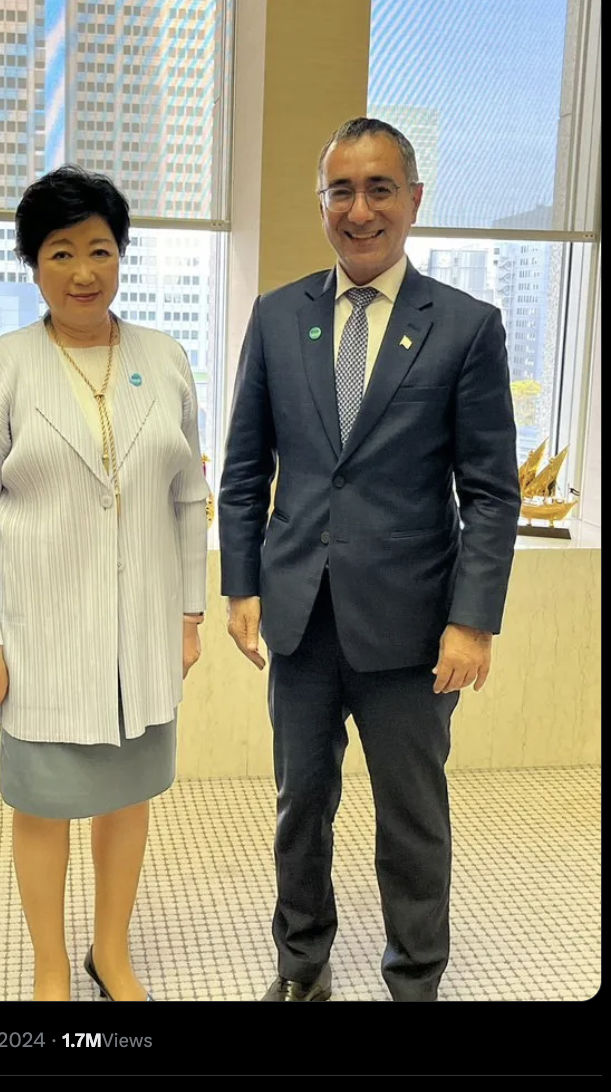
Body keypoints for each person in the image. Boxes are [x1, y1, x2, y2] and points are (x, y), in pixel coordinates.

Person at [219, 117, 520, 1003]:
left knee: (411, 814)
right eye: (341, 191)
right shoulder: (279, 317)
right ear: (322, 203)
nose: (359, 211)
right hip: (302, 618)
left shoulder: (466, 327)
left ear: (414, 200)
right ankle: (300, 962)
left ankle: (416, 976)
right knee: (300, 805)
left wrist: (473, 621)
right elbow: (245, 470)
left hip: (412, 628)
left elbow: (491, 492)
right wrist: (241, 584)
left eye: (379, 189)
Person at [0, 167, 209, 1002]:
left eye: (100, 249)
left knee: (127, 799)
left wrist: (190, 614)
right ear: (33, 264)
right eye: (61, 252)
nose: (84, 271)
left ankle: (111, 953)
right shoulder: (4, 367)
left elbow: (188, 499)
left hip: (141, 630)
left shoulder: (165, 359)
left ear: (121, 254)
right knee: (44, 804)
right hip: (42, 635)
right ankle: (51, 965)